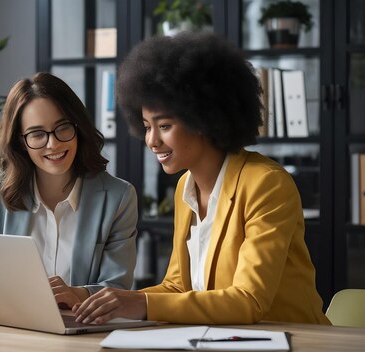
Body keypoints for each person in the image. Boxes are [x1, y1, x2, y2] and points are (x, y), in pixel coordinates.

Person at [69, 32, 331, 325]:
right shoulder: (187, 187)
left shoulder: (266, 184)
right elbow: (176, 288)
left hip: (294, 340)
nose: (152, 141)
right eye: (146, 127)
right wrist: (89, 298)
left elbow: (249, 300)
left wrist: (138, 302)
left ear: (204, 119)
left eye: (164, 125)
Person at [0, 73, 138, 308]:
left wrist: (78, 294)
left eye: (62, 128)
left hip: (79, 333)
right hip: (9, 330)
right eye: (37, 134)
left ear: (78, 127)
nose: (53, 144)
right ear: (21, 141)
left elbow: (117, 288)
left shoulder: (118, 197)